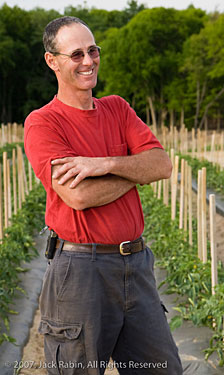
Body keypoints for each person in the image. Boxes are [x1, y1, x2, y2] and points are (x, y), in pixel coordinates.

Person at [24, 16, 183, 375]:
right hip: (81, 271)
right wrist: (134, 170)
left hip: (137, 265)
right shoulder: (43, 123)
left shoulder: (117, 108)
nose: (88, 61)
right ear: (53, 61)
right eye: (76, 53)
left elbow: (161, 164)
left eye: (93, 51)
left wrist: (103, 163)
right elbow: (78, 196)